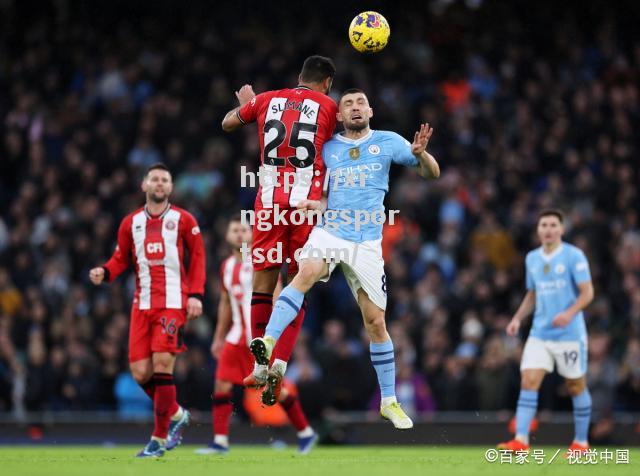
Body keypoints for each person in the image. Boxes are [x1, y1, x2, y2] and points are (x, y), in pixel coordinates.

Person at [250, 88, 440, 429]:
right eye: (348, 104)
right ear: (338, 116)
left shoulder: (390, 141)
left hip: (367, 242)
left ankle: (389, 402)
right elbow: (320, 191)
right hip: (331, 232)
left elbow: (432, 174)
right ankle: (268, 341)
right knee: (305, 272)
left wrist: (422, 155)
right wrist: (315, 205)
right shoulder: (326, 149)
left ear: (371, 110)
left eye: (360, 103)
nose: (355, 108)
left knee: (375, 323)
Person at [221, 55, 338, 389]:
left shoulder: (267, 99)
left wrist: (247, 107)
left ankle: (259, 367)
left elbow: (227, 124)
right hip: (306, 208)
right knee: (298, 284)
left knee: (261, 286)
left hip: (269, 205)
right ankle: (282, 360)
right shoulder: (328, 106)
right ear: (326, 82)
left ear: (299, 76)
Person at [89, 163, 206, 457]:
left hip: (173, 303)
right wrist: (105, 271)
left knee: (162, 365)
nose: (159, 183)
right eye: (154, 179)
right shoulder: (130, 223)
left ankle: (158, 438)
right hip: (141, 305)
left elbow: (199, 257)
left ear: (170, 188)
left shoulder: (183, 219)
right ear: (144, 185)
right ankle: (177, 413)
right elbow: (120, 259)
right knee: (140, 372)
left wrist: (195, 295)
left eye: (164, 180)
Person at [196, 217, 316, 455]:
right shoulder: (226, 267)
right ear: (227, 236)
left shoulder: (262, 261)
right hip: (236, 337)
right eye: (234, 229)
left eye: (244, 230)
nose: (239, 234)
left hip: (260, 339)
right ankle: (220, 442)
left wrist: (276, 333)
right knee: (221, 383)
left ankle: (305, 432)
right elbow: (225, 304)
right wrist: (219, 337)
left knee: (274, 387)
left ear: (252, 234)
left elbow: (279, 297)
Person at [497, 209, 594, 455]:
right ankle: (520, 441)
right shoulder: (532, 258)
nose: (548, 229)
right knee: (528, 381)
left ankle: (581, 443)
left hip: (569, 335)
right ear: (538, 230)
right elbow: (533, 293)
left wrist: (569, 313)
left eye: (553, 225)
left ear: (562, 229)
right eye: (544, 225)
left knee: (575, 385)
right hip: (540, 333)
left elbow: (587, 293)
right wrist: (517, 318)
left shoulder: (573, 256)